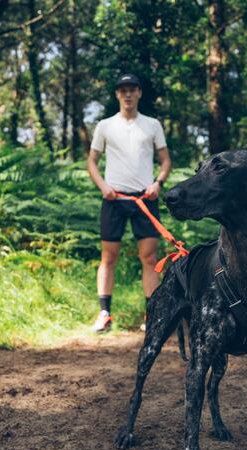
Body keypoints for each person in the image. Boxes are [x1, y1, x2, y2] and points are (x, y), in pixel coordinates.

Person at [87, 73, 172, 333]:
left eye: (132, 89)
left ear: (139, 93)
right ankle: (104, 314)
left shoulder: (152, 125)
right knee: (108, 257)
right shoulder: (105, 126)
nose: (127, 94)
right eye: (122, 90)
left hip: (145, 200)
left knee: (149, 257)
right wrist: (104, 187)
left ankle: (152, 316)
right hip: (114, 199)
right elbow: (91, 161)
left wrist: (158, 183)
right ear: (116, 95)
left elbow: (166, 161)